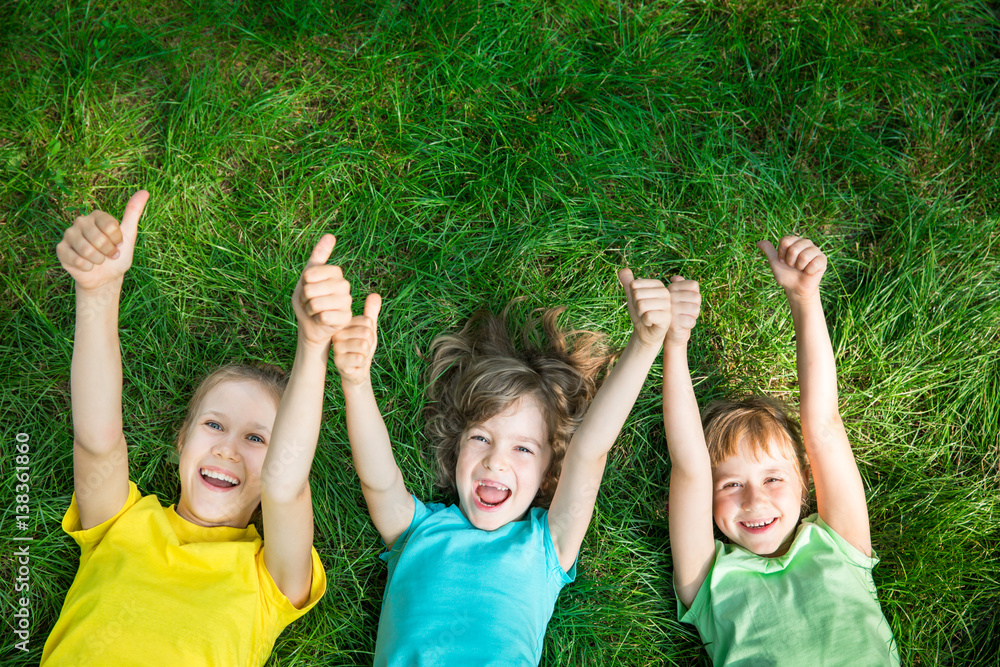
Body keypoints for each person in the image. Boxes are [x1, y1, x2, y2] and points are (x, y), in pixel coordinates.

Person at [42, 190, 335, 666]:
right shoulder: (120, 521)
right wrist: (96, 293)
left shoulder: (270, 578)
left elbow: (286, 485)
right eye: (215, 424)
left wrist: (313, 346)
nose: (227, 449)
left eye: (258, 437)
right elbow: (97, 440)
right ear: (182, 439)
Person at [331, 271, 671, 664]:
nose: (496, 460)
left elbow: (590, 451)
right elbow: (379, 479)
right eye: (480, 438)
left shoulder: (547, 546)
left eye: (523, 449)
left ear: (549, 469)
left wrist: (644, 345)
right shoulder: (416, 530)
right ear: (456, 447)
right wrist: (355, 383)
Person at [662, 236, 899, 665]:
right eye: (731, 483)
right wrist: (674, 344)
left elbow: (824, 426)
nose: (755, 500)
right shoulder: (708, 578)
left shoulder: (839, 543)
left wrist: (805, 299)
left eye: (773, 478)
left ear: (805, 482)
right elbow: (689, 466)